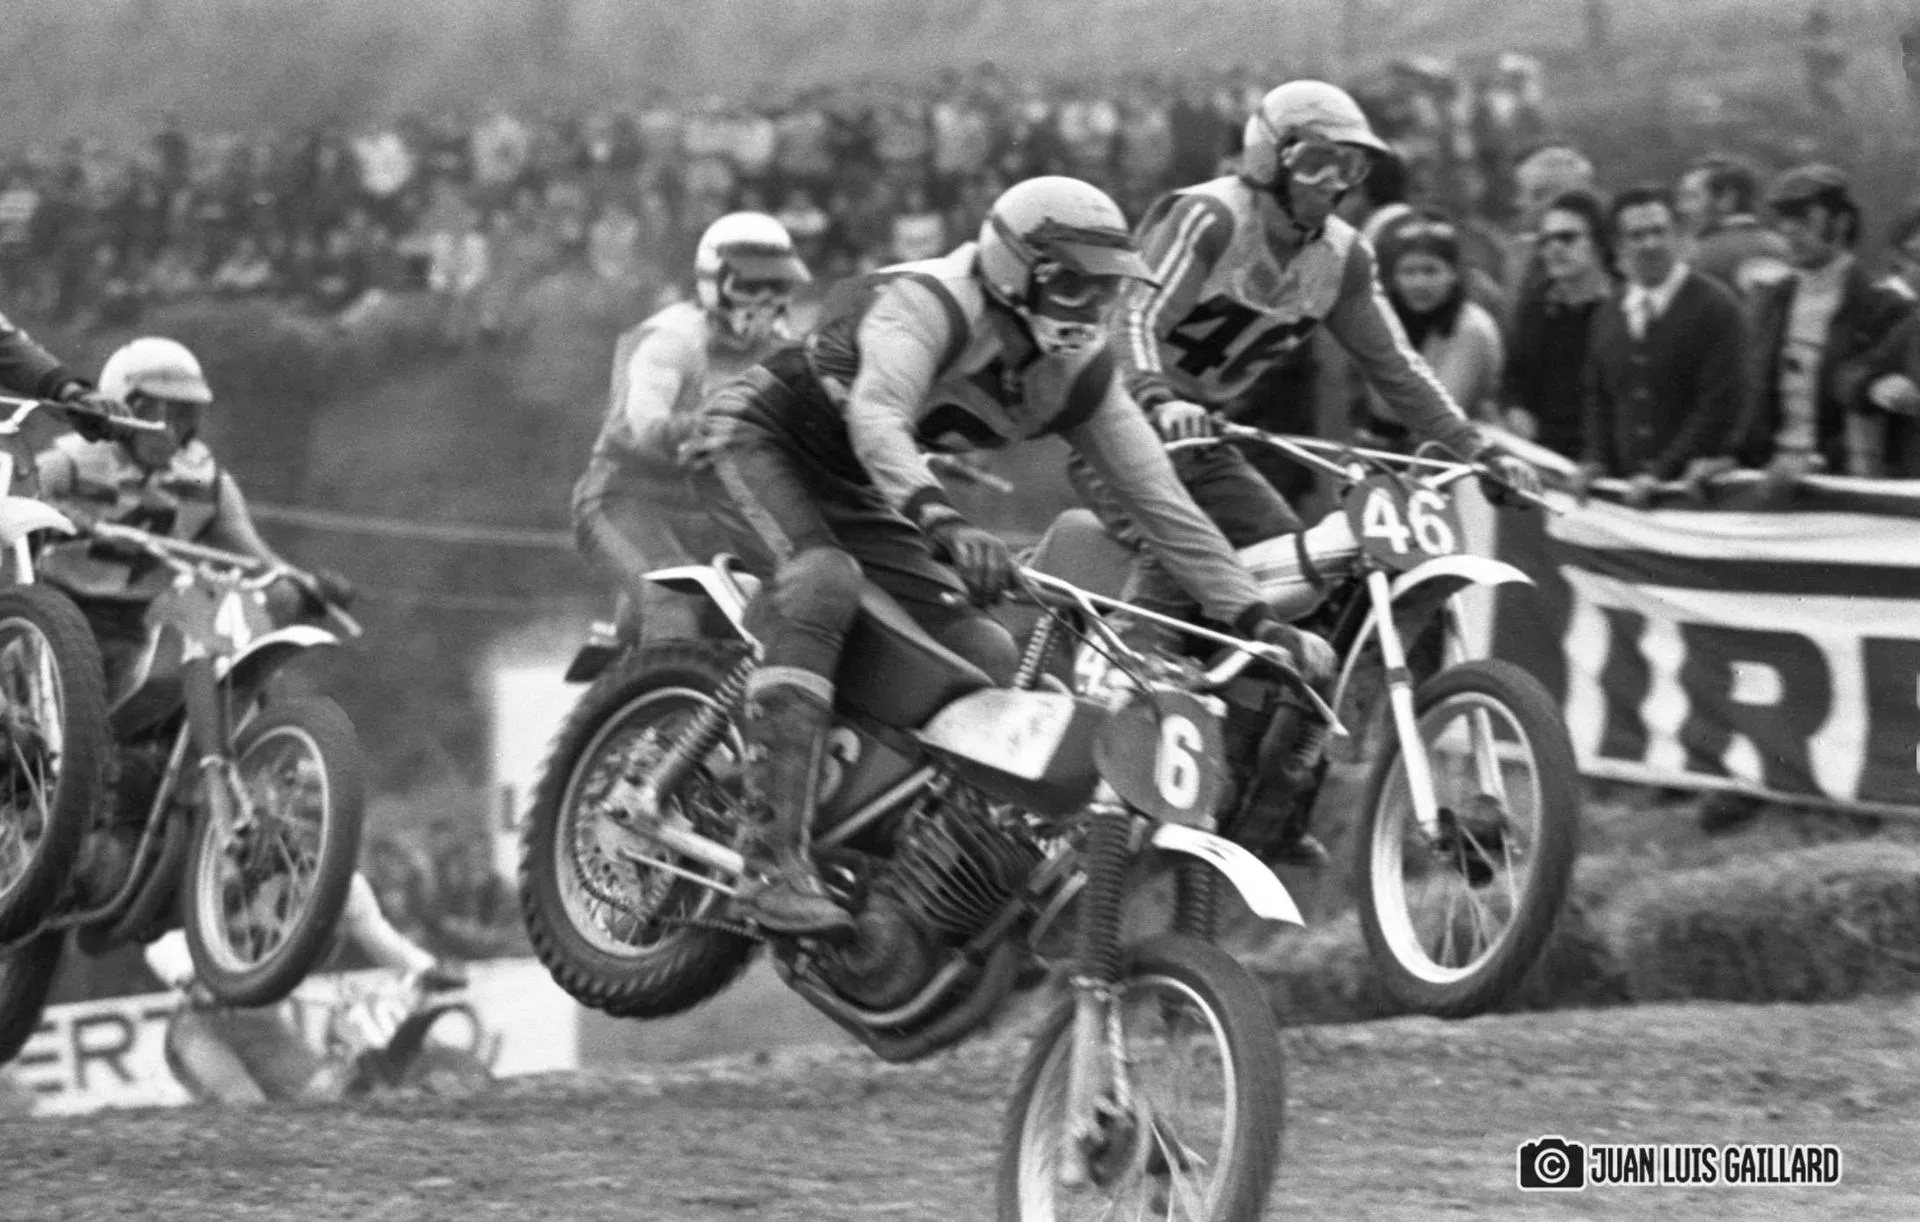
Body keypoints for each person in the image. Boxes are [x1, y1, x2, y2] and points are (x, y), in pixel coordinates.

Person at [682, 176, 1337, 936]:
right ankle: (767, 864)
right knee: (822, 581)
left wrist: (1258, 622)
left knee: (987, 656)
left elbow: (1165, 506)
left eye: (1104, 291)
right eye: (1072, 285)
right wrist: (945, 523)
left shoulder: (1083, 376)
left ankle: (903, 880)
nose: (1089, 309)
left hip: (861, 490)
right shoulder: (930, 304)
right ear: (1013, 269)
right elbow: (879, 420)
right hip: (757, 438)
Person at [1097, 81, 1541, 865]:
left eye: (1350, 169)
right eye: (1316, 163)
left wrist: (1479, 451)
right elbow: (1130, 315)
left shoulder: (1343, 257)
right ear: (1270, 158)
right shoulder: (1208, 216)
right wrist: (1158, 396)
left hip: (1204, 442)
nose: (1332, 184)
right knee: (1188, 548)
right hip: (1113, 423)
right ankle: (1123, 702)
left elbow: (1396, 366)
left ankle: (1255, 804)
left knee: (1303, 582)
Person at [34, 337, 354, 697]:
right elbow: (15, 498)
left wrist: (308, 585)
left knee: (185, 677)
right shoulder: (72, 463)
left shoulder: (206, 483)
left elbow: (256, 559)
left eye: (183, 415)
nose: (168, 429)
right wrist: (58, 515)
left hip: (141, 624)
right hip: (58, 607)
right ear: (119, 406)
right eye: (153, 413)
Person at [572, 213, 811, 646]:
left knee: (782, 601)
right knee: (673, 593)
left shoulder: (787, 352)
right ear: (714, 281)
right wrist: (725, 423)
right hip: (628, 498)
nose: (765, 299)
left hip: (715, 510)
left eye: (777, 285)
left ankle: (639, 649)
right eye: (752, 284)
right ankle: (666, 680)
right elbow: (642, 426)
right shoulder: (671, 337)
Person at [144, 872, 467, 1105]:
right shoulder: (243, 874)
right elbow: (165, 938)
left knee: (324, 1103)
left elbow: (379, 937)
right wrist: (190, 978)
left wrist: (428, 969)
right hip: (202, 1026)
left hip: (267, 1028)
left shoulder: (346, 885)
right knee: (244, 1106)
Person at [1576, 184, 1747, 508]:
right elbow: (1598, 399)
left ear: (1678, 236)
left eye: (1659, 231)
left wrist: (1662, 471)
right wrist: (1595, 459)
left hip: (1696, 498)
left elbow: (1720, 405)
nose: (1650, 244)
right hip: (1627, 500)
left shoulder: (1717, 307)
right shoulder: (1608, 314)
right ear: (1618, 245)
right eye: (1637, 235)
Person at [1362, 209, 1507, 439]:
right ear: (1394, 278)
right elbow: (1379, 409)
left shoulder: (1472, 327)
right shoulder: (1388, 322)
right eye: (1408, 272)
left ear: (1453, 274)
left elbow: (1442, 416)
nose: (1419, 283)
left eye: (1430, 271)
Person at [1503, 188, 1614, 459]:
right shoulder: (1536, 308)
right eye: (1546, 240)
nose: (1554, 248)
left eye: (1567, 237)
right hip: (1543, 454)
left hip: (1607, 458)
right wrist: (1515, 409)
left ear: (1599, 242)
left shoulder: (1624, 308)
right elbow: (1513, 378)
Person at [1674, 155, 1792, 298]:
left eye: (1691, 197)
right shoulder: (1788, 248)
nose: (1681, 208)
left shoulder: (1696, 259)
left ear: (1727, 198)